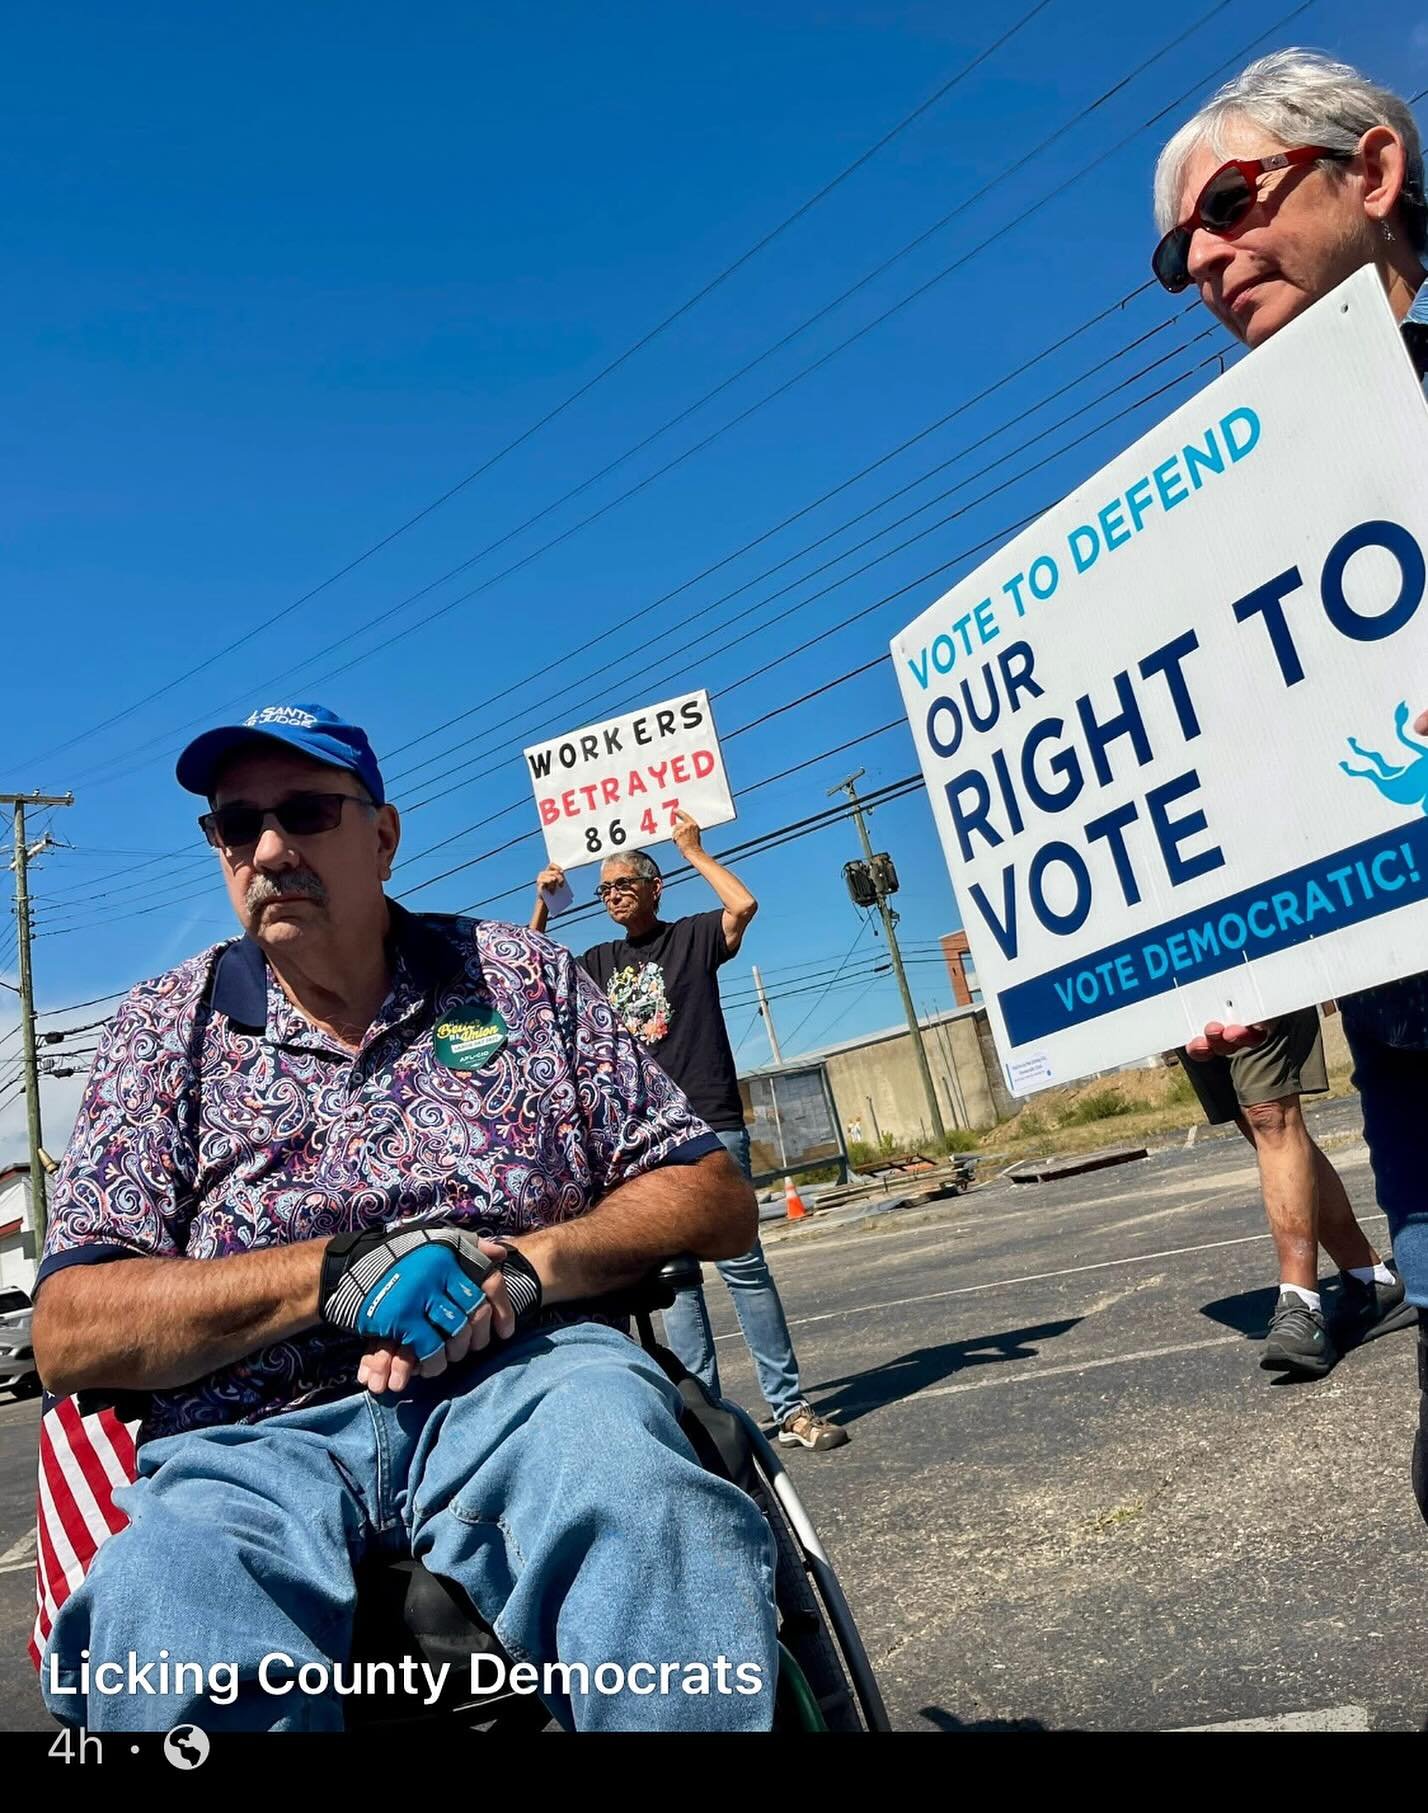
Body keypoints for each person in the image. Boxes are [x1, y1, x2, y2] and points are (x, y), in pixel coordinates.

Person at [30, 702, 778, 1732]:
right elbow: (69, 1327)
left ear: (383, 835)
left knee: (645, 1500)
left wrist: (525, 1266)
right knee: (166, 1604)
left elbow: (712, 1194)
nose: (270, 847)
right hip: (251, 1442)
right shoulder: (164, 1031)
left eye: (304, 810)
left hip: (527, 1385)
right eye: (235, 825)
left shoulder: (517, 979)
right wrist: (332, 1274)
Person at [1152, 48, 1428, 1501]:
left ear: (1371, 174)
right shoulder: (1260, 511)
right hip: (1412, 1067)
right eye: (1178, 248)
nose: (1203, 259)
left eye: (1234, 204)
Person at [531, 812, 847, 1452]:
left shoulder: (693, 937)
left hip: (709, 1122)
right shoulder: (595, 961)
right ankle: (702, 1414)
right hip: (642, 1137)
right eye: (604, 889)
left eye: (624, 883)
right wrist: (545, 903)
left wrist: (691, 850)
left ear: (655, 887)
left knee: (745, 1268)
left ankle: (789, 1408)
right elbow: (528, 975)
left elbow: (743, 903)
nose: (613, 894)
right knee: (675, 1283)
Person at [1172, 1010, 1411, 1377]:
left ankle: (1300, 1304)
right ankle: (1371, 1279)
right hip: (1171, 979)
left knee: (1269, 1112)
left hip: (1243, 965)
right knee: (1251, 1117)